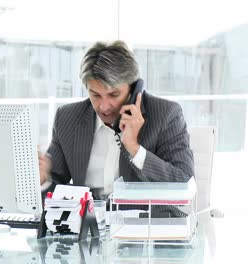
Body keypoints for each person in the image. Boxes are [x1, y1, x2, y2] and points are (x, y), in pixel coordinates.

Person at [39, 40, 194, 200]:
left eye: (114, 95)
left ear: (133, 89)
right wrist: (43, 180)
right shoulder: (68, 117)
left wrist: (134, 149)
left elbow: (184, 184)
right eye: (95, 95)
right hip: (88, 223)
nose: (104, 107)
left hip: (142, 223)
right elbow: (53, 187)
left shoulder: (166, 114)